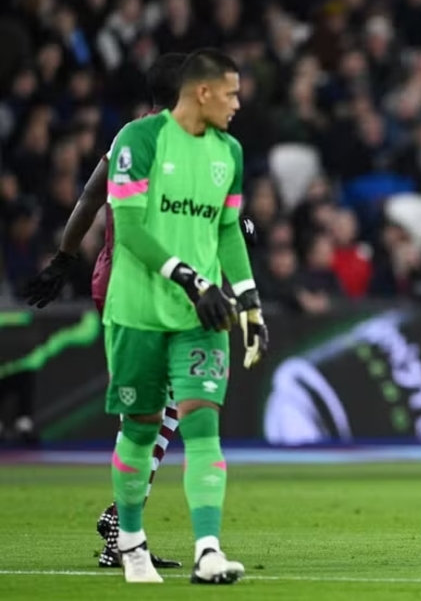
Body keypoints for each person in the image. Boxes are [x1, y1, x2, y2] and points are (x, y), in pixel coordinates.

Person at [23, 53, 258, 570]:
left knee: (173, 406)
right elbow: (99, 201)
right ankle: (122, 524)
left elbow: (95, 197)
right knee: (165, 407)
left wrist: (64, 259)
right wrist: (63, 258)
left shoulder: (180, 143)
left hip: (151, 280)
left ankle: (125, 521)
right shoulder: (143, 139)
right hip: (140, 281)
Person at [100, 48, 268, 584]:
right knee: (142, 429)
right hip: (137, 312)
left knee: (201, 424)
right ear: (201, 92)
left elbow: (226, 231)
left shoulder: (230, 152)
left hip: (202, 315)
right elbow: (128, 228)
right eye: (231, 93)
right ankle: (130, 543)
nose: (238, 104)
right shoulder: (139, 141)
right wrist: (192, 279)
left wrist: (249, 300)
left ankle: (208, 551)